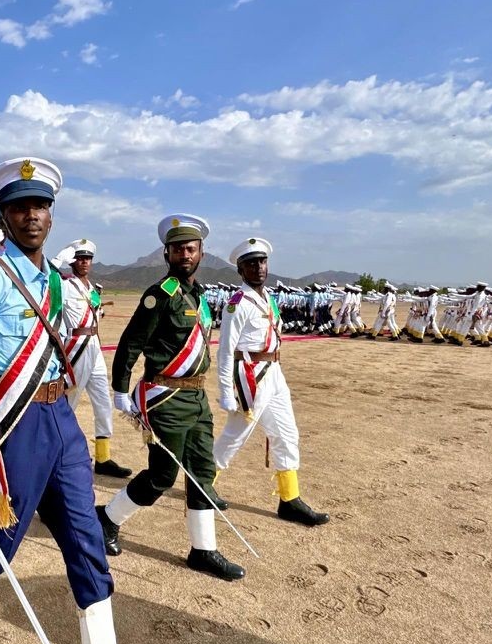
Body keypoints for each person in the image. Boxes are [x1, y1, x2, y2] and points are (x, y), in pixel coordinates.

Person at [0, 158, 175, 644]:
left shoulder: (52, 281)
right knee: (2, 538)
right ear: (3, 213)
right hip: (12, 423)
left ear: (51, 212)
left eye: (40, 206)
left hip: (61, 418)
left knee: (87, 539)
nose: (32, 215)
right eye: (19, 206)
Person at [96, 214, 245, 582]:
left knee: (202, 473)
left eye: (190, 249)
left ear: (200, 253)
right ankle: (107, 519)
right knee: (162, 476)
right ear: (167, 253)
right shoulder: (158, 296)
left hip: (197, 399)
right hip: (166, 398)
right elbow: (131, 343)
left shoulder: (200, 296)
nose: (184, 254)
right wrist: (119, 389)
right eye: (177, 249)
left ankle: (203, 550)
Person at [212, 239, 328, 526]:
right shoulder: (237, 303)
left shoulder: (267, 298)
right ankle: (202, 485)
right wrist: (226, 390)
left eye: (262, 262)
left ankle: (289, 499)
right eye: (251, 263)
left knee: (287, 433)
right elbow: (226, 349)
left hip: (274, 372)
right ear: (240, 270)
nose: (258, 268)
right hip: (251, 375)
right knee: (235, 436)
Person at [52, 238, 132, 478]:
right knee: (70, 402)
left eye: (88, 258)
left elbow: (97, 314)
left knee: (103, 402)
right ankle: (58, 454)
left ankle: (103, 457)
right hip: (76, 346)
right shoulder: (64, 284)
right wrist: (58, 259)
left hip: (94, 345)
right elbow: (43, 278)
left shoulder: (91, 288)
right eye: (79, 258)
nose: (84, 262)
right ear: (72, 261)